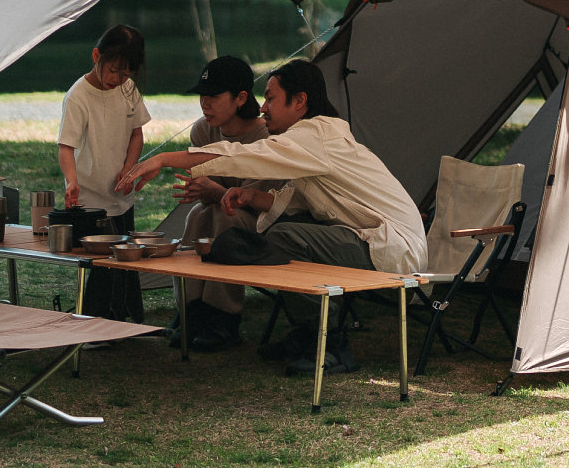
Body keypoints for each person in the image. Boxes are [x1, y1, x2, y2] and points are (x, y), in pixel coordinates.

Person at [116, 60, 422, 375]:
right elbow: (294, 200)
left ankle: (328, 344)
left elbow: (246, 156)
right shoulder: (315, 137)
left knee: (284, 238)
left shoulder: (314, 134)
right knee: (283, 232)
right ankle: (305, 333)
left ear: (300, 101)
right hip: (368, 241)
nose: (263, 107)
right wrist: (250, 196)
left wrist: (166, 158)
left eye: (271, 98)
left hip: (391, 249)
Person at [172, 55, 271, 351]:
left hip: (259, 221)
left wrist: (213, 191)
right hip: (220, 210)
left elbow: (252, 201)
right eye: (203, 96)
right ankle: (190, 311)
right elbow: (212, 191)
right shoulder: (203, 131)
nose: (205, 104)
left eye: (213, 96)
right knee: (197, 216)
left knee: (224, 218)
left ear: (241, 98)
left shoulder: (264, 136)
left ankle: (223, 318)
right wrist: (199, 190)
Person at [59, 23, 151, 320]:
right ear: (96, 55)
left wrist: (129, 167)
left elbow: (136, 134)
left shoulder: (127, 89)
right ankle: (98, 325)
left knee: (128, 262)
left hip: (121, 196)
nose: (118, 79)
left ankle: (128, 320)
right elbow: (66, 147)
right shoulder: (78, 96)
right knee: (101, 266)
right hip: (91, 201)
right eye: (113, 70)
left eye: (126, 74)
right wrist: (72, 182)